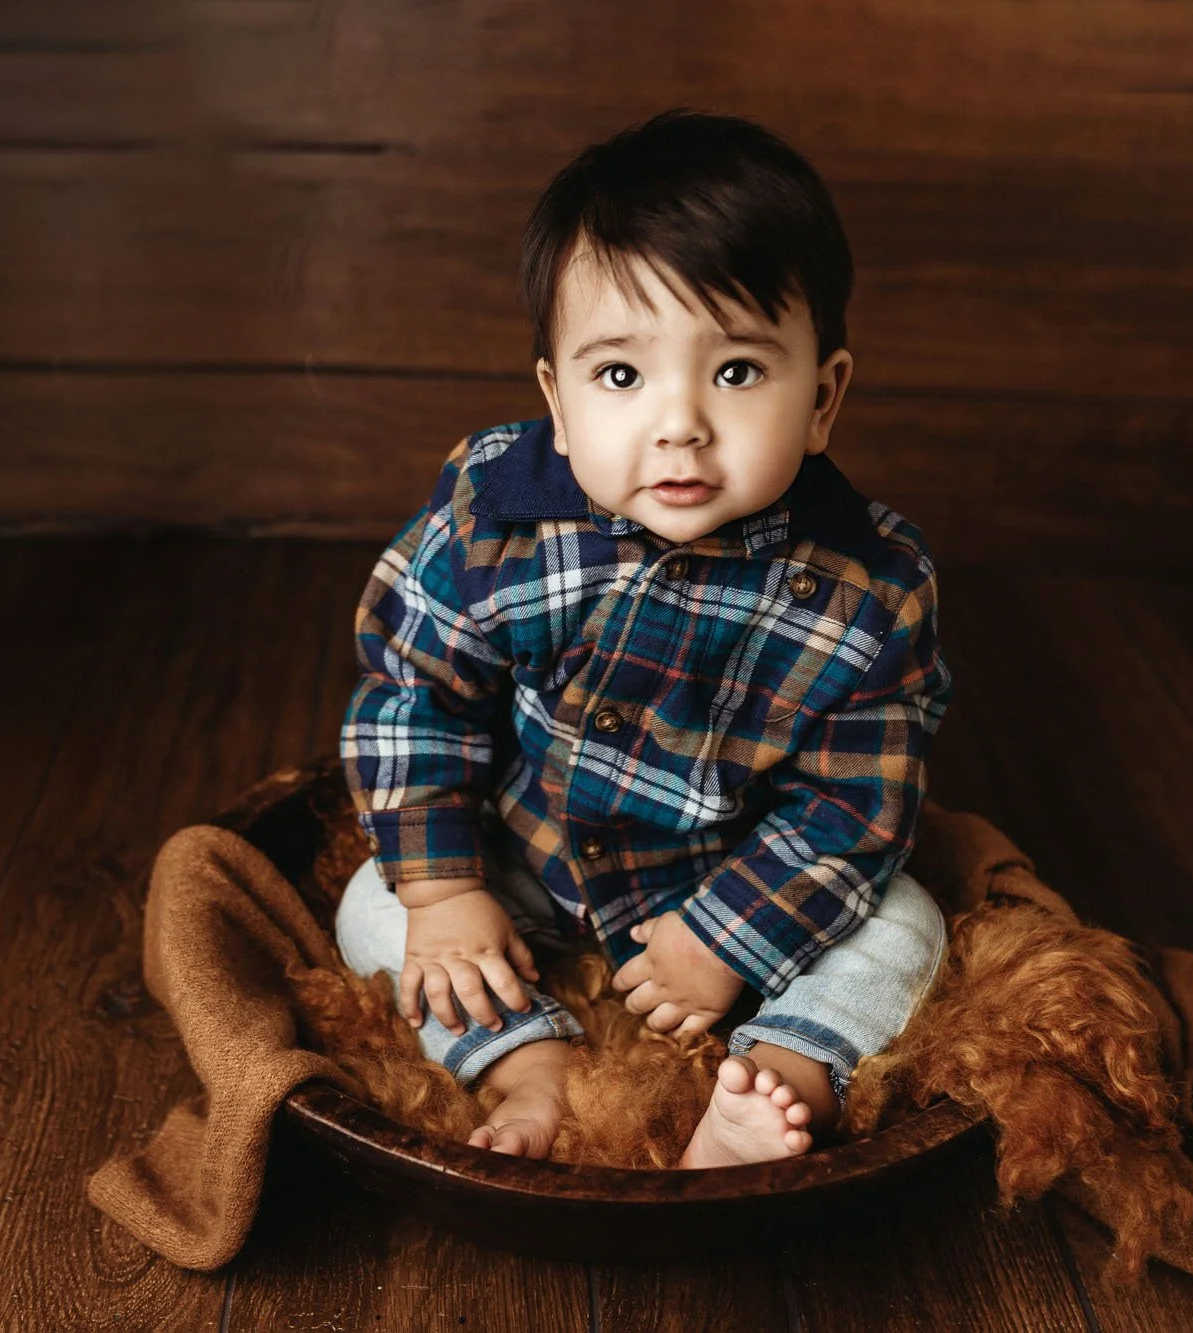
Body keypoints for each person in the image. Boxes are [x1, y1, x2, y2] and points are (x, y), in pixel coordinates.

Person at [336, 109, 953, 1167]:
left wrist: (727, 935)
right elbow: (411, 695)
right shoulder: (496, 518)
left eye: (738, 372)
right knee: (372, 904)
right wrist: (445, 891)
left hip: (738, 875)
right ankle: (523, 1063)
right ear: (558, 403)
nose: (678, 424)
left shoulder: (868, 586)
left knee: (906, 926)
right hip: (533, 860)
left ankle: (769, 1084)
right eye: (620, 375)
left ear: (822, 397)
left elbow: (854, 803)